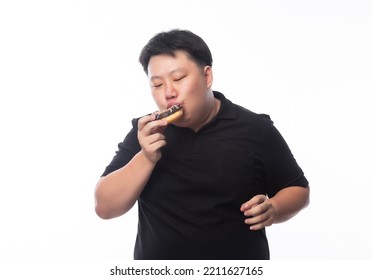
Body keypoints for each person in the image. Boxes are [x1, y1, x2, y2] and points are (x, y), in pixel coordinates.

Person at [94, 29, 310, 260]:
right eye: (157, 85)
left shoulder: (256, 128)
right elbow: (105, 207)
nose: (169, 93)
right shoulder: (145, 131)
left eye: (178, 79)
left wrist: (274, 209)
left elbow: (298, 189)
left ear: (207, 77)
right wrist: (146, 157)